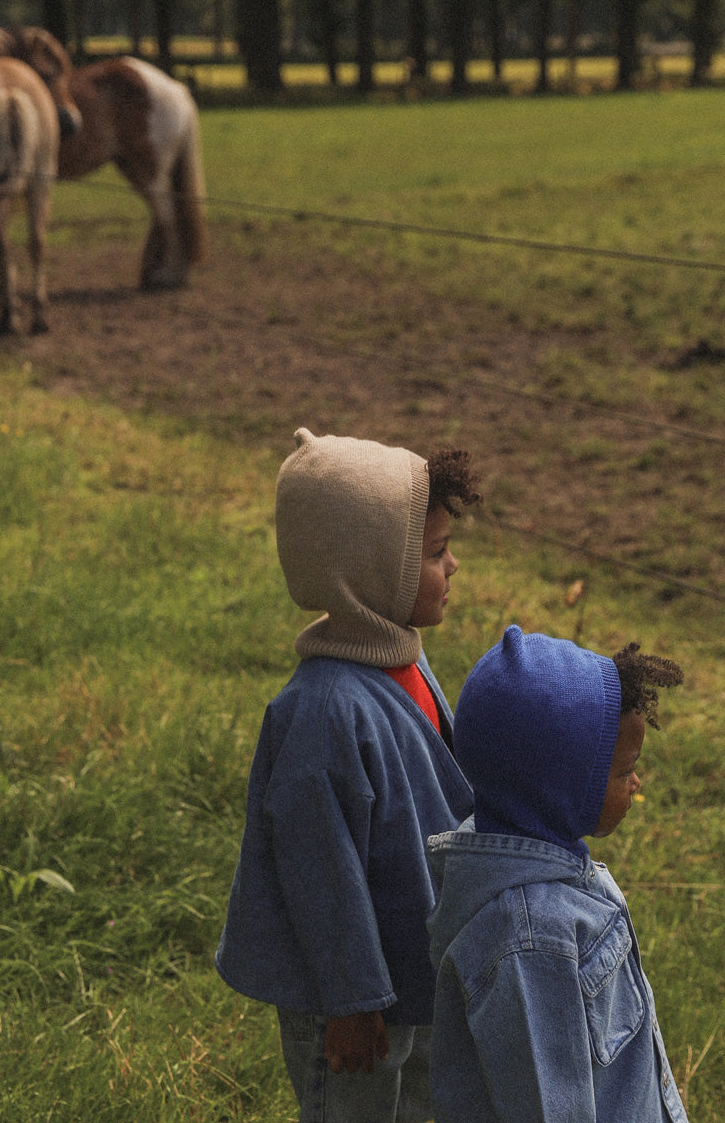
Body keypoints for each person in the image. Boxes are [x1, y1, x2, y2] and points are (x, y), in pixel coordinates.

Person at [216, 427, 482, 1123]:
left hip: (411, 967)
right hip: (350, 1000)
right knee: (356, 1108)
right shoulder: (325, 711)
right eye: (434, 553)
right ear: (368, 569)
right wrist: (350, 1001)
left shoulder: (405, 661)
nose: (452, 566)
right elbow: (319, 868)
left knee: (419, 1103)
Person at [427, 625, 687, 1123]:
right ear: (560, 790)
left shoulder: (536, 853)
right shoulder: (530, 939)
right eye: (623, 769)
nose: (637, 781)